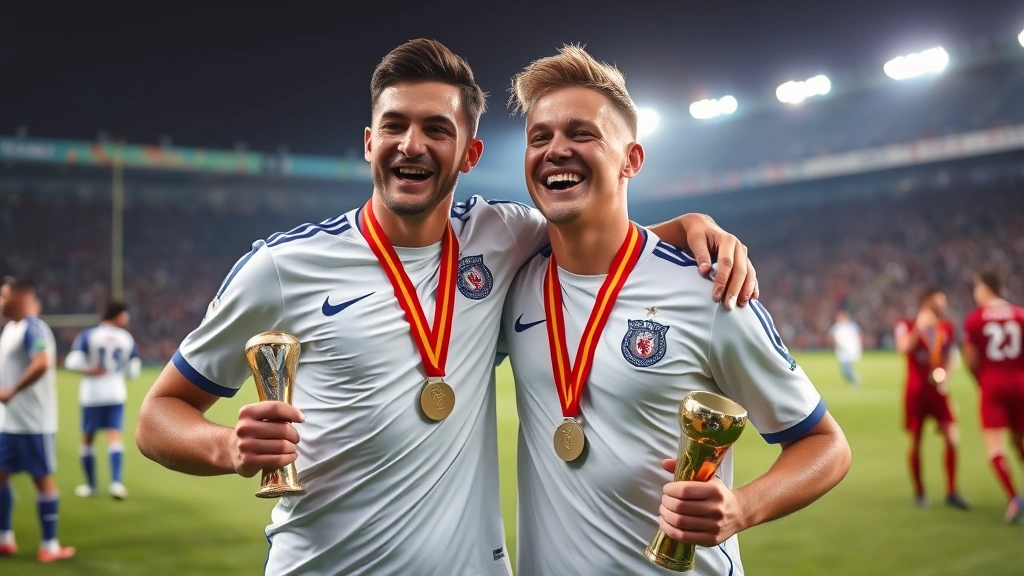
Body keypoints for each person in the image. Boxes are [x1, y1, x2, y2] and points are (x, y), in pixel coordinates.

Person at [135, 39, 758, 575]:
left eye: (437, 129)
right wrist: (226, 448)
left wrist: (688, 227)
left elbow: (600, 235)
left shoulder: (504, 236)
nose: (411, 145)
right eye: (394, 126)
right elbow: (158, 416)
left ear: (470, 154)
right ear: (369, 141)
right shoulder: (281, 268)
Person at [501, 45, 851, 575]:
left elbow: (826, 445)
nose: (556, 149)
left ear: (631, 160)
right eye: (539, 137)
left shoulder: (709, 292)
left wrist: (742, 507)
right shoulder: (515, 283)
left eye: (582, 133)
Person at [0, 276, 75, 562]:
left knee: (42, 480)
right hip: (9, 422)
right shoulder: (10, 329)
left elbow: (42, 362)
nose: (0, 301)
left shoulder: (34, 328)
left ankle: (50, 545)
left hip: (33, 422)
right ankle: (5, 539)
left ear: (19, 297)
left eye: (4, 295)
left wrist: (12, 390)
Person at [894, 287, 969, 510]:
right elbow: (903, 347)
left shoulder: (946, 327)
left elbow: (951, 356)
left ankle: (952, 491)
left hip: (939, 392)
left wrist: (947, 376)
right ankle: (919, 492)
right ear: (927, 301)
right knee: (916, 440)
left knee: (952, 438)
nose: (943, 304)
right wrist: (919, 327)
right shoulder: (907, 324)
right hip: (916, 392)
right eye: (940, 300)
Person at [961, 270, 1024, 523]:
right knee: (1019, 441)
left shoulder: (976, 319)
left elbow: (970, 359)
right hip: (1020, 383)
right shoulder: (1020, 315)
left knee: (995, 448)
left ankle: (1014, 498)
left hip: (992, 384)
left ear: (986, 288)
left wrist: (981, 381)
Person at [64, 301, 141, 500]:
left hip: (92, 394)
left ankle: (91, 486)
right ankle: (116, 483)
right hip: (115, 392)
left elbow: (71, 362)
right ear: (119, 315)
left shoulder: (89, 335)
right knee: (114, 436)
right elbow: (133, 372)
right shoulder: (126, 338)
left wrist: (90, 370)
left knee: (88, 439)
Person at [827, 309, 862, 385]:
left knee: (848, 368)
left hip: (850, 350)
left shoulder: (851, 326)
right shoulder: (837, 326)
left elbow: (857, 336)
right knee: (844, 369)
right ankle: (853, 381)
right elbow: (831, 337)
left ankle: (856, 381)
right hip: (841, 351)